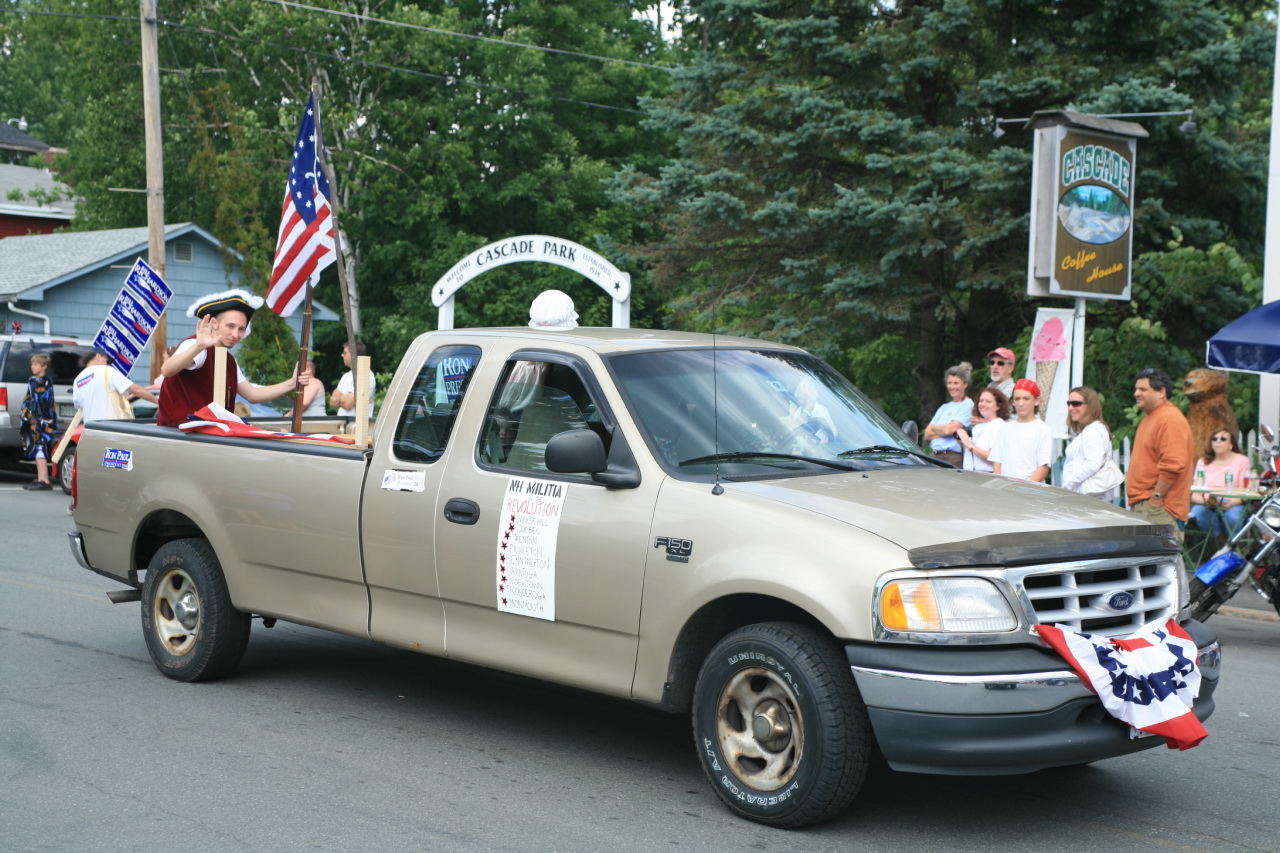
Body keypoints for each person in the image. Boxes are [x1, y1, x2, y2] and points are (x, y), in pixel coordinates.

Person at [157, 289, 310, 428]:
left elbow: (253, 395)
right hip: (180, 438)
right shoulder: (196, 346)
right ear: (214, 323)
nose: (236, 335)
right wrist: (199, 345)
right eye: (230, 326)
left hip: (210, 439)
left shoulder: (228, 360)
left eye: (241, 329)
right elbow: (167, 370)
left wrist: (292, 383)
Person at [1126, 367, 1195, 542]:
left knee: (1158, 566)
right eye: (1136, 389)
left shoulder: (1170, 419)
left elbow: (1173, 465)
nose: (1136, 393)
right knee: (1144, 566)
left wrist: (1156, 499)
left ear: (1161, 392)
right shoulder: (1151, 417)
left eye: (1143, 389)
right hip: (1146, 506)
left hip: (1159, 508)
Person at [1189, 428, 1251, 538]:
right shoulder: (1203, 462)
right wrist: (1207, 502)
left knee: (1232, 517)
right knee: (1199, 513)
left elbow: (1245, 491)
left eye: (1223, 439)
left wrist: (1232, 503)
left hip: (1232, 502)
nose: (1218, 441)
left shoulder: (1242, 460)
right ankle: (1224, 543)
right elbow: (1194, 495)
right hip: (1208, 502)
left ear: (1231, 444)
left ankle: (1234, 545)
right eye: (1214, 439)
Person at [989, 378, 1052, 482]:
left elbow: (1044, 466)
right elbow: (997, 461)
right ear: (1012, 401)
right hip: (1004, 489)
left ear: (1036, 401)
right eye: (1017, 399)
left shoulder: (1043, 429)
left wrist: (1026, 488)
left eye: (1026, 398)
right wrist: (999, 484)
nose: (1021, 403)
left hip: (1029, 491)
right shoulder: (1005, 428)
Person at [73, 350, 158, 421]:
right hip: (109, 427)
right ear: (98, 356)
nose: (107, 364)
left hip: (90, 429)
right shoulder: (106, 371)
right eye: (106, 360)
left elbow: (78, 405)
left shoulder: (78, 380)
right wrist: (158, 402)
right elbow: (135, 390)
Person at [1061, 386, 1114, 498]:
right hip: (1087, 498)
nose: (1071, 408)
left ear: (1089, 406)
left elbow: (1093, 463)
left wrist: (1069, 484)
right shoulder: (1093, 429)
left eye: (1076, 403)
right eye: (1069, 403)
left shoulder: (1092, 431)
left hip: (1088, 499)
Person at [922, 362, 973, 466]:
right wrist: (944, 430)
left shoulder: (968, 405)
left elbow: (949, 430)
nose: (952, 386)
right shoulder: (944, 407)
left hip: (953, 457)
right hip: (934, 455)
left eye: (956, 383)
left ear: (965, 384)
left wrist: (936, 428)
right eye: (949, 383)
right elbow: (927, 434)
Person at [19, 353, 57, 490]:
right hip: (33, 419)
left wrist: (38, 418)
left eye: (36, 364)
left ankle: (45, 481)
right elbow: (28, 398)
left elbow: (43, 402)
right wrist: (26, 414)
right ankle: (40, 477)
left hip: (43, 421)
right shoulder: (32, 381)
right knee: (35, 448)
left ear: (44, 366)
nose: (32, 367)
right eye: (32, 364)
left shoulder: (46, 382)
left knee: (41, 448)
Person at [956, 386, 1009, 472]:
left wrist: (969, 445)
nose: (983, 404)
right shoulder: (977, 427)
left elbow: (993, 457)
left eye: (988, 401)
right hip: (969, 474)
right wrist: (962, 441)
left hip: (986, 476)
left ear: (998, 406)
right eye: (981, 401)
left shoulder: (999, 425)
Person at [330, 341, 376, 418]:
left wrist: (339, 396)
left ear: (353, 355)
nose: (342, 355)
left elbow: (348, 403)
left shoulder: (365, 374)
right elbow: (332, 403)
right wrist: (345, 397)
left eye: (345, 353)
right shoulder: (345, 376)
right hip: (342, 426)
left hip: (356, 426)